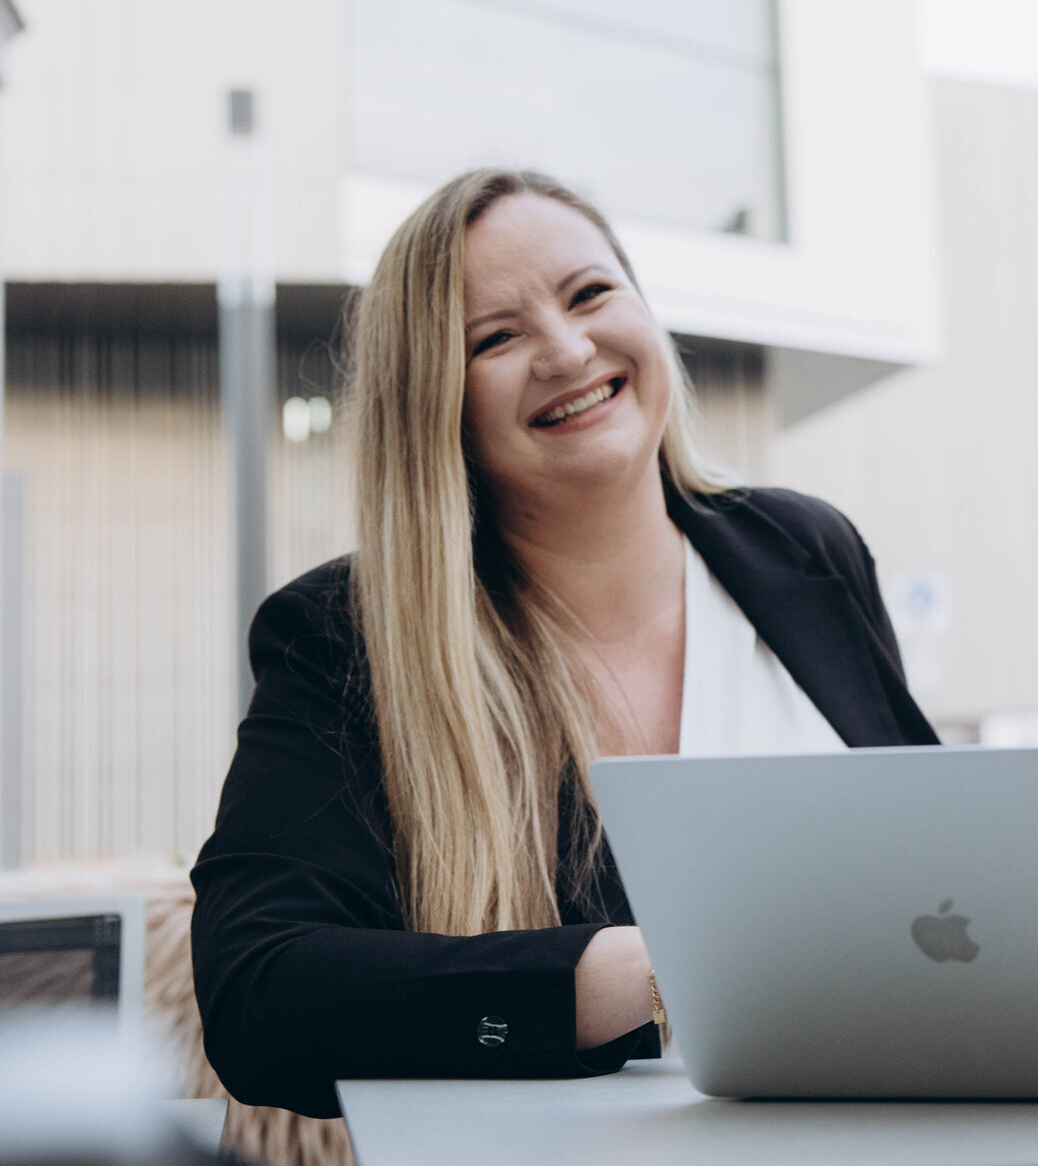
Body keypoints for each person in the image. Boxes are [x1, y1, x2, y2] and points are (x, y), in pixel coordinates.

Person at [190, 170, 936, 1118]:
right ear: (435, 406)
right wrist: (665, 971)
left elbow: (940, 875)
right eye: (496, 337)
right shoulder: (348, 635)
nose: (568, 348)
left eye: (591, 293)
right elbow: (262, 995)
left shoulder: (808, 549)